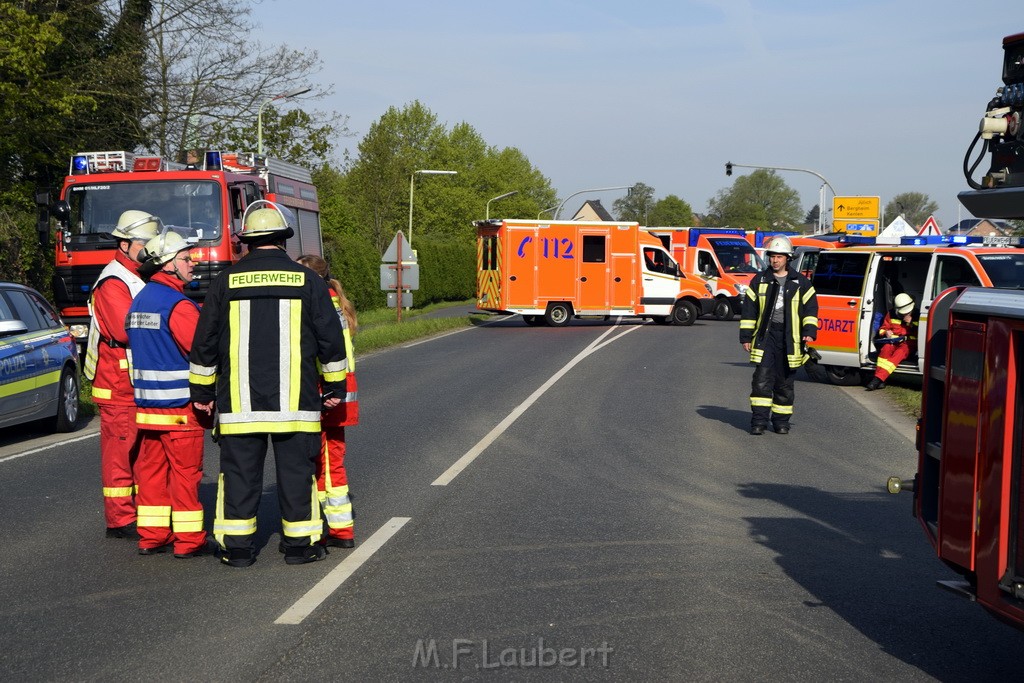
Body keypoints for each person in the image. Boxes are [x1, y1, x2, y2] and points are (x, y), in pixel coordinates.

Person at [189, 201, 348, 568]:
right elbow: (331, 340)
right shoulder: (307, 280)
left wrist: (202, 394)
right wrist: (335, 388)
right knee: (297, 475)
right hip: (298, 404)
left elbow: (205, 343)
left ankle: (238, 550)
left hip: (239, 405)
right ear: (284, 239)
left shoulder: (224, 282)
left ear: (245, 241)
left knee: (239, 476)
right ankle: (300, 547)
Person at [125, 231, 208, 557]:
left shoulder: (139, 301)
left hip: (146, 409)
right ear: (168, 264)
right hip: (179, 408)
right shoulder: (178, 305)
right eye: (187, 259)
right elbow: (201, 353)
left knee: (151, 476)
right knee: (186, 477)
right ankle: (189, 542)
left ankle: (152, 536)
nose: (193, 265)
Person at [85, 210, 161, 538]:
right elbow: (123, 329)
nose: (149, 250)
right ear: (126, 243)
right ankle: (120, 520)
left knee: (144, 450)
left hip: (135, 379)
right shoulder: (113, 281)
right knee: (121, 452)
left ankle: (146, 510)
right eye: (145, 244)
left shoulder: (138, 276)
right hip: (117, 382)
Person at [297, 254, 359, 550]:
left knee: (319, 461)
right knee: (331, 459)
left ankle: (325, 527)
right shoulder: (335, 301)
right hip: (340, 392)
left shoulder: (316, 303)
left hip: (324, 391)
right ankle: (339, 527)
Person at [739, 234, 818, 435]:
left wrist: (809, 332)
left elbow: (810, 309)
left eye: (779, 256)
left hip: (790, 339)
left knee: (784, 383)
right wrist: (746, 336)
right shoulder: (760, 280)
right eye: (772, 256)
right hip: (766, 337)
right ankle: (759, 422)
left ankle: (781, 422)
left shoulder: (801, 283)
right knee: (762, 380)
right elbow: (749, 310)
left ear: (787, 258)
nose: (774, 260)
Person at [866, 293, 916, 391]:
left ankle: (877, 379)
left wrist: (911, 323)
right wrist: (886, 332)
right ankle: (882, 380)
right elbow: (882, 329)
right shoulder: (891, 313)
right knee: (885, 350)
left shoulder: (918, 315)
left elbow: (921, 333)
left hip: (909, 343)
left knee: (899, 354)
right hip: (892, 341)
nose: (906, 314)